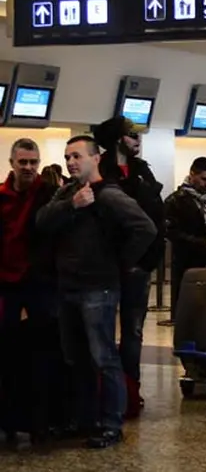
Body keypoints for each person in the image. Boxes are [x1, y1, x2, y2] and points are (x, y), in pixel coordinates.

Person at [36, 135, 156, 449]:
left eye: (77, 156)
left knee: (103, 357)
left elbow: (145, 228)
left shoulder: (110, 196)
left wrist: (120, 263)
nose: (72, 162)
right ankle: (85, 419)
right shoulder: (69, 192)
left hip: (97, 289)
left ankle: (111, 424)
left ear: (95, 158)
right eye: (67, 157)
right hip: (69, 287)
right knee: (77, 359)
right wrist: (71, 206)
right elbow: (42, 221)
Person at [93, 116, 166, 420]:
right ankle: (110, 392)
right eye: (132, 135)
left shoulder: (142, 172)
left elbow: (155, 218)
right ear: (119, 139)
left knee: (134, 331)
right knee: (104, 331)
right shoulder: (101, 172)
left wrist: (145, 260)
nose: (137, 140)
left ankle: (131, 389)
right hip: (110, 266)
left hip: (139, 265)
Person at [0, 139, 59, 426]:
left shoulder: (49, 195)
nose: (28, 167)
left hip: (39, 281)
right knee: (7, 346)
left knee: (42, 349)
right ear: (12, 163)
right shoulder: (1, 197)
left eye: (33, 162)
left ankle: (42, 417)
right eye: (23, 162)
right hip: (7, 281)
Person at [164, 157, 206, 321]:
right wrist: (201, 243)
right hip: (187, 262)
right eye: (204, 179)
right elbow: (172, 232)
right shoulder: (176, 200)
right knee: (187, 312)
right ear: (192, 175)